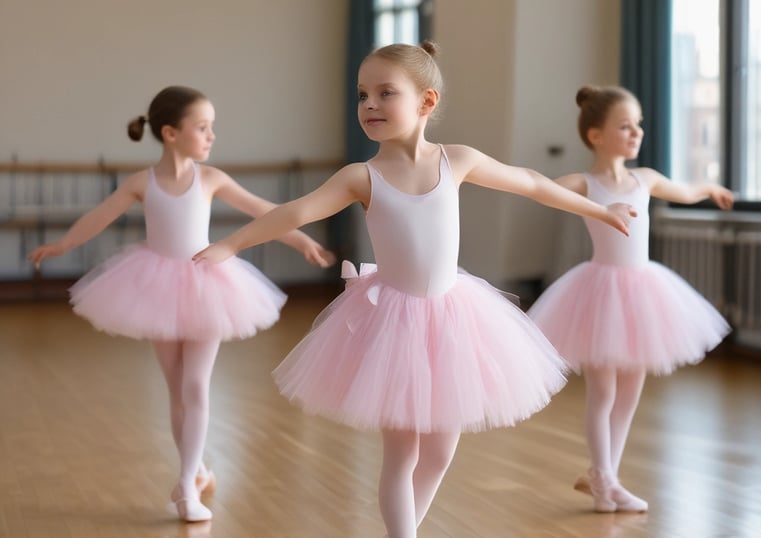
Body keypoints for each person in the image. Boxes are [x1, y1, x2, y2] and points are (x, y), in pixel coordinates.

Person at [193, 43, 635, 537]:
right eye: (363, 95)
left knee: (442, 452)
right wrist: (229, 245)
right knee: (401, 452)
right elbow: (295, 212)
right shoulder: (362, 176)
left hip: (454, 319)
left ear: (426, 102)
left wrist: (601, 210)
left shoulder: (458, 160)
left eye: (386, 93)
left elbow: (530, 182)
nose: (370, 105)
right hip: (393, 323)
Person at [27, 86, 336, 523]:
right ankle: (198, 469)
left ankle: (186, 483)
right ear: (171, 133)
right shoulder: (142, 182)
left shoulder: (211, 179)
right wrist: (62, 244)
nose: (211, 136)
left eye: (212, 127)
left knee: (195, 386)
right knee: (177, 392)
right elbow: (98, 217)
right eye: (203, 127)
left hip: (208, 284)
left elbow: (262, 209)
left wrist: (301, 237)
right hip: (155, 287)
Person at [527, 85, 733, 513]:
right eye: (624, 125)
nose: (636, 131)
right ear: (596, 135)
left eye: (638, 124)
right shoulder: (585, 183)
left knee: (630, 391)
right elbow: (539, 187)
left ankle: (607, 476)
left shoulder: (646, 179)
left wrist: (709, 187)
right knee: (602, 392)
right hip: (600, 292)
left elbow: (683, 190)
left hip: (644, 292)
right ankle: (603, 479)